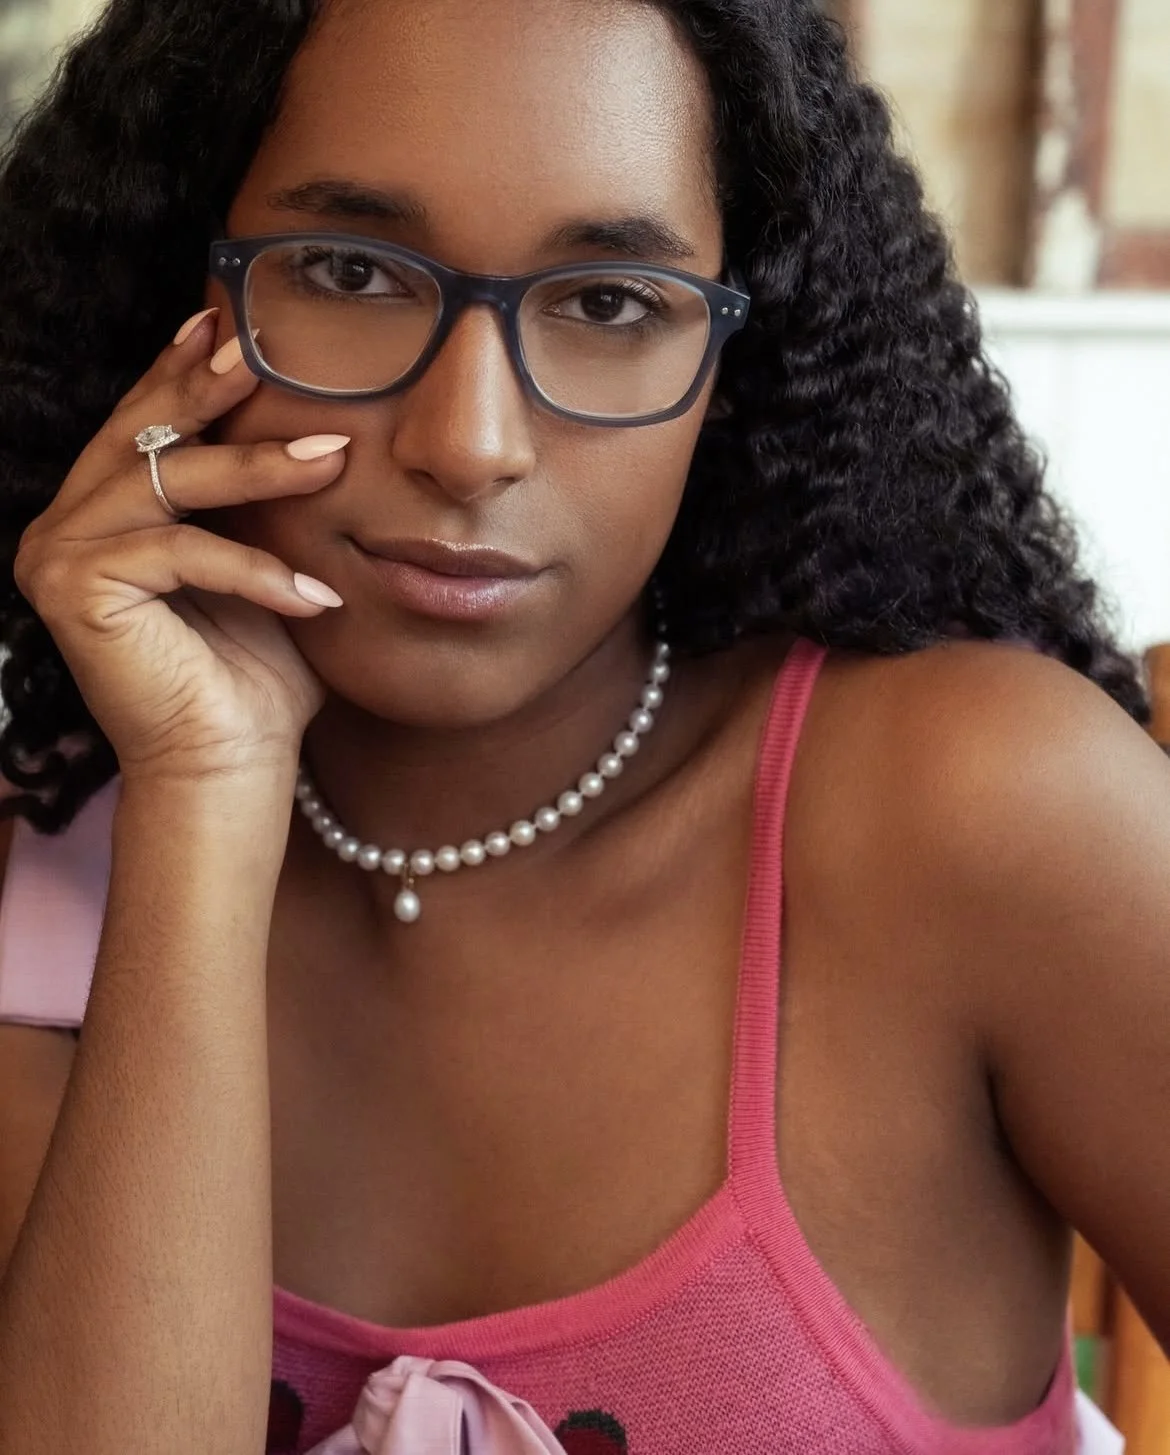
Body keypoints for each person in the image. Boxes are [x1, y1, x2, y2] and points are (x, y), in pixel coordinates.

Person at [0, 0, 1165, 1450]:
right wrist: (202, 787)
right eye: (353, 270)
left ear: (743, 345)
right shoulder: (56, 870)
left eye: (610, 300)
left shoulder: (982, 808)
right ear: (169, 286)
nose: (470, 442)